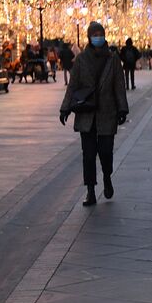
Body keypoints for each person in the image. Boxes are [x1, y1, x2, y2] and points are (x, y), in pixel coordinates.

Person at [60, 21, 128, 206]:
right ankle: (90, 189)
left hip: (107, 111)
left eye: (101, 33)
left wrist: (122, 108)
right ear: (89, 37)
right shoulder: (81, 59)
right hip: (87, 113)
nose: (98, 37)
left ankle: (107, 176)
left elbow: (119, 86)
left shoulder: (113, 59)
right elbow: (73, 85)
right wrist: (65, 108)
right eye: (95, 34)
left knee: (106, 151)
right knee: (88, 155)